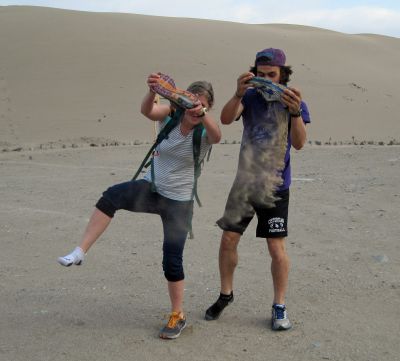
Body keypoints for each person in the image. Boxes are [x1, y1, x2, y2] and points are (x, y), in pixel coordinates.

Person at [58, 73, 221, 339]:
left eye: (201, 104)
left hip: (179, 204)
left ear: (207, 107)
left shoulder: (205, 131)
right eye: (190, 102)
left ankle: (177, 315)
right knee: (110, 197)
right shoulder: (170, 115)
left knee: (171, 260)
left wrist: (202, 114)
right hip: (152, 188)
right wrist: (153, 91)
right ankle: (79, 251)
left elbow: (217, 136)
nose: (194, 108)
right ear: (180, 100)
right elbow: (147, 110)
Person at [205, 48, 311, 330]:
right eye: (261, 75)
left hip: (275, 185)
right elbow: (227, 119)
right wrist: (239, 92)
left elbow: (300, 143)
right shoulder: (250, 97)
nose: (266, 81)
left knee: (276, 248)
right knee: (228, 239)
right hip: (245, 183)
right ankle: (225, 295)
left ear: (282, 74)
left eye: (272, 76)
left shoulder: (294, 101)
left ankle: (279, 306)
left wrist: (295, 112)